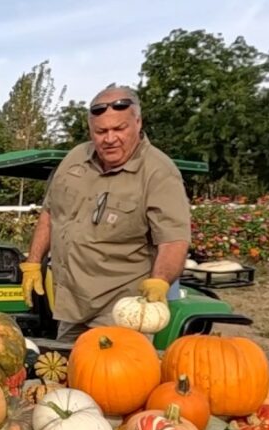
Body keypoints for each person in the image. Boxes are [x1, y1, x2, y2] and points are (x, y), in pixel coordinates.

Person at [19, 85, 191, 342]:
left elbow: (173, 239)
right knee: (70, 376)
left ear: (138, 122)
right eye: (101, 131)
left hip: (121, 309)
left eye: (119, 129)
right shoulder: (76, 158)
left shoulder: (158, 172)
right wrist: (33, 262)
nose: (109, 139)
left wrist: (160, 280)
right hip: (73, 305)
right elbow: (50, 211)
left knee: (111, 377)